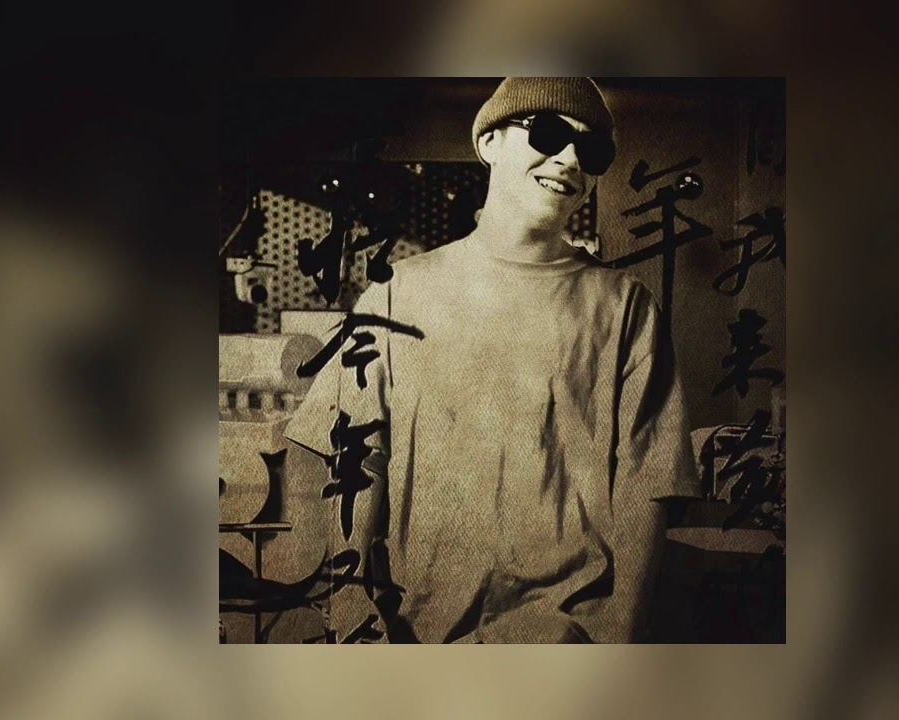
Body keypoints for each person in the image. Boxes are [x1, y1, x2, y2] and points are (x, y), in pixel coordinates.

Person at [283, 77, 702, 643]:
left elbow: (646, 486)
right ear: (489, 142)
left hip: (564, 642)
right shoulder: (396, 296)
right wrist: (349, 602)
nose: (570, 159)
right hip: (414, 639)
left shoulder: (625, 308)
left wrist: (616, 635)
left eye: (591, 149)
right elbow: (345, 454)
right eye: (548, 134)